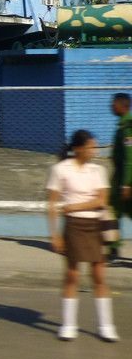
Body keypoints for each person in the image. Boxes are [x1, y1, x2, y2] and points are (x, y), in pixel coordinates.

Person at [47, 129, 118, 342]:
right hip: (74, 227)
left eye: (95, 147)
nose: (94, 151)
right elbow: (51, 204)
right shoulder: (61, 169)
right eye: (90, 147)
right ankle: (69, 325)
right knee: (72, 275)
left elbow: (101, 201)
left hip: (95, 224)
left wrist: (70, 207)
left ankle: (106, 325)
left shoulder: (98, 170)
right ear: (78, 149)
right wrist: (54, 235)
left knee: (99, 275)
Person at [108, 92, 132, 263]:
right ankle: (113, 251)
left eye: (113, 104)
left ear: (123, 106)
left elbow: (130, 159)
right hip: (119, 179)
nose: (111, 106)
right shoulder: (122, 126)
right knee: (113, 213)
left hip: (127, 181)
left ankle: (114, 251)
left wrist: (126, 184)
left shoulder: (128, 128)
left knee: (116, 213)